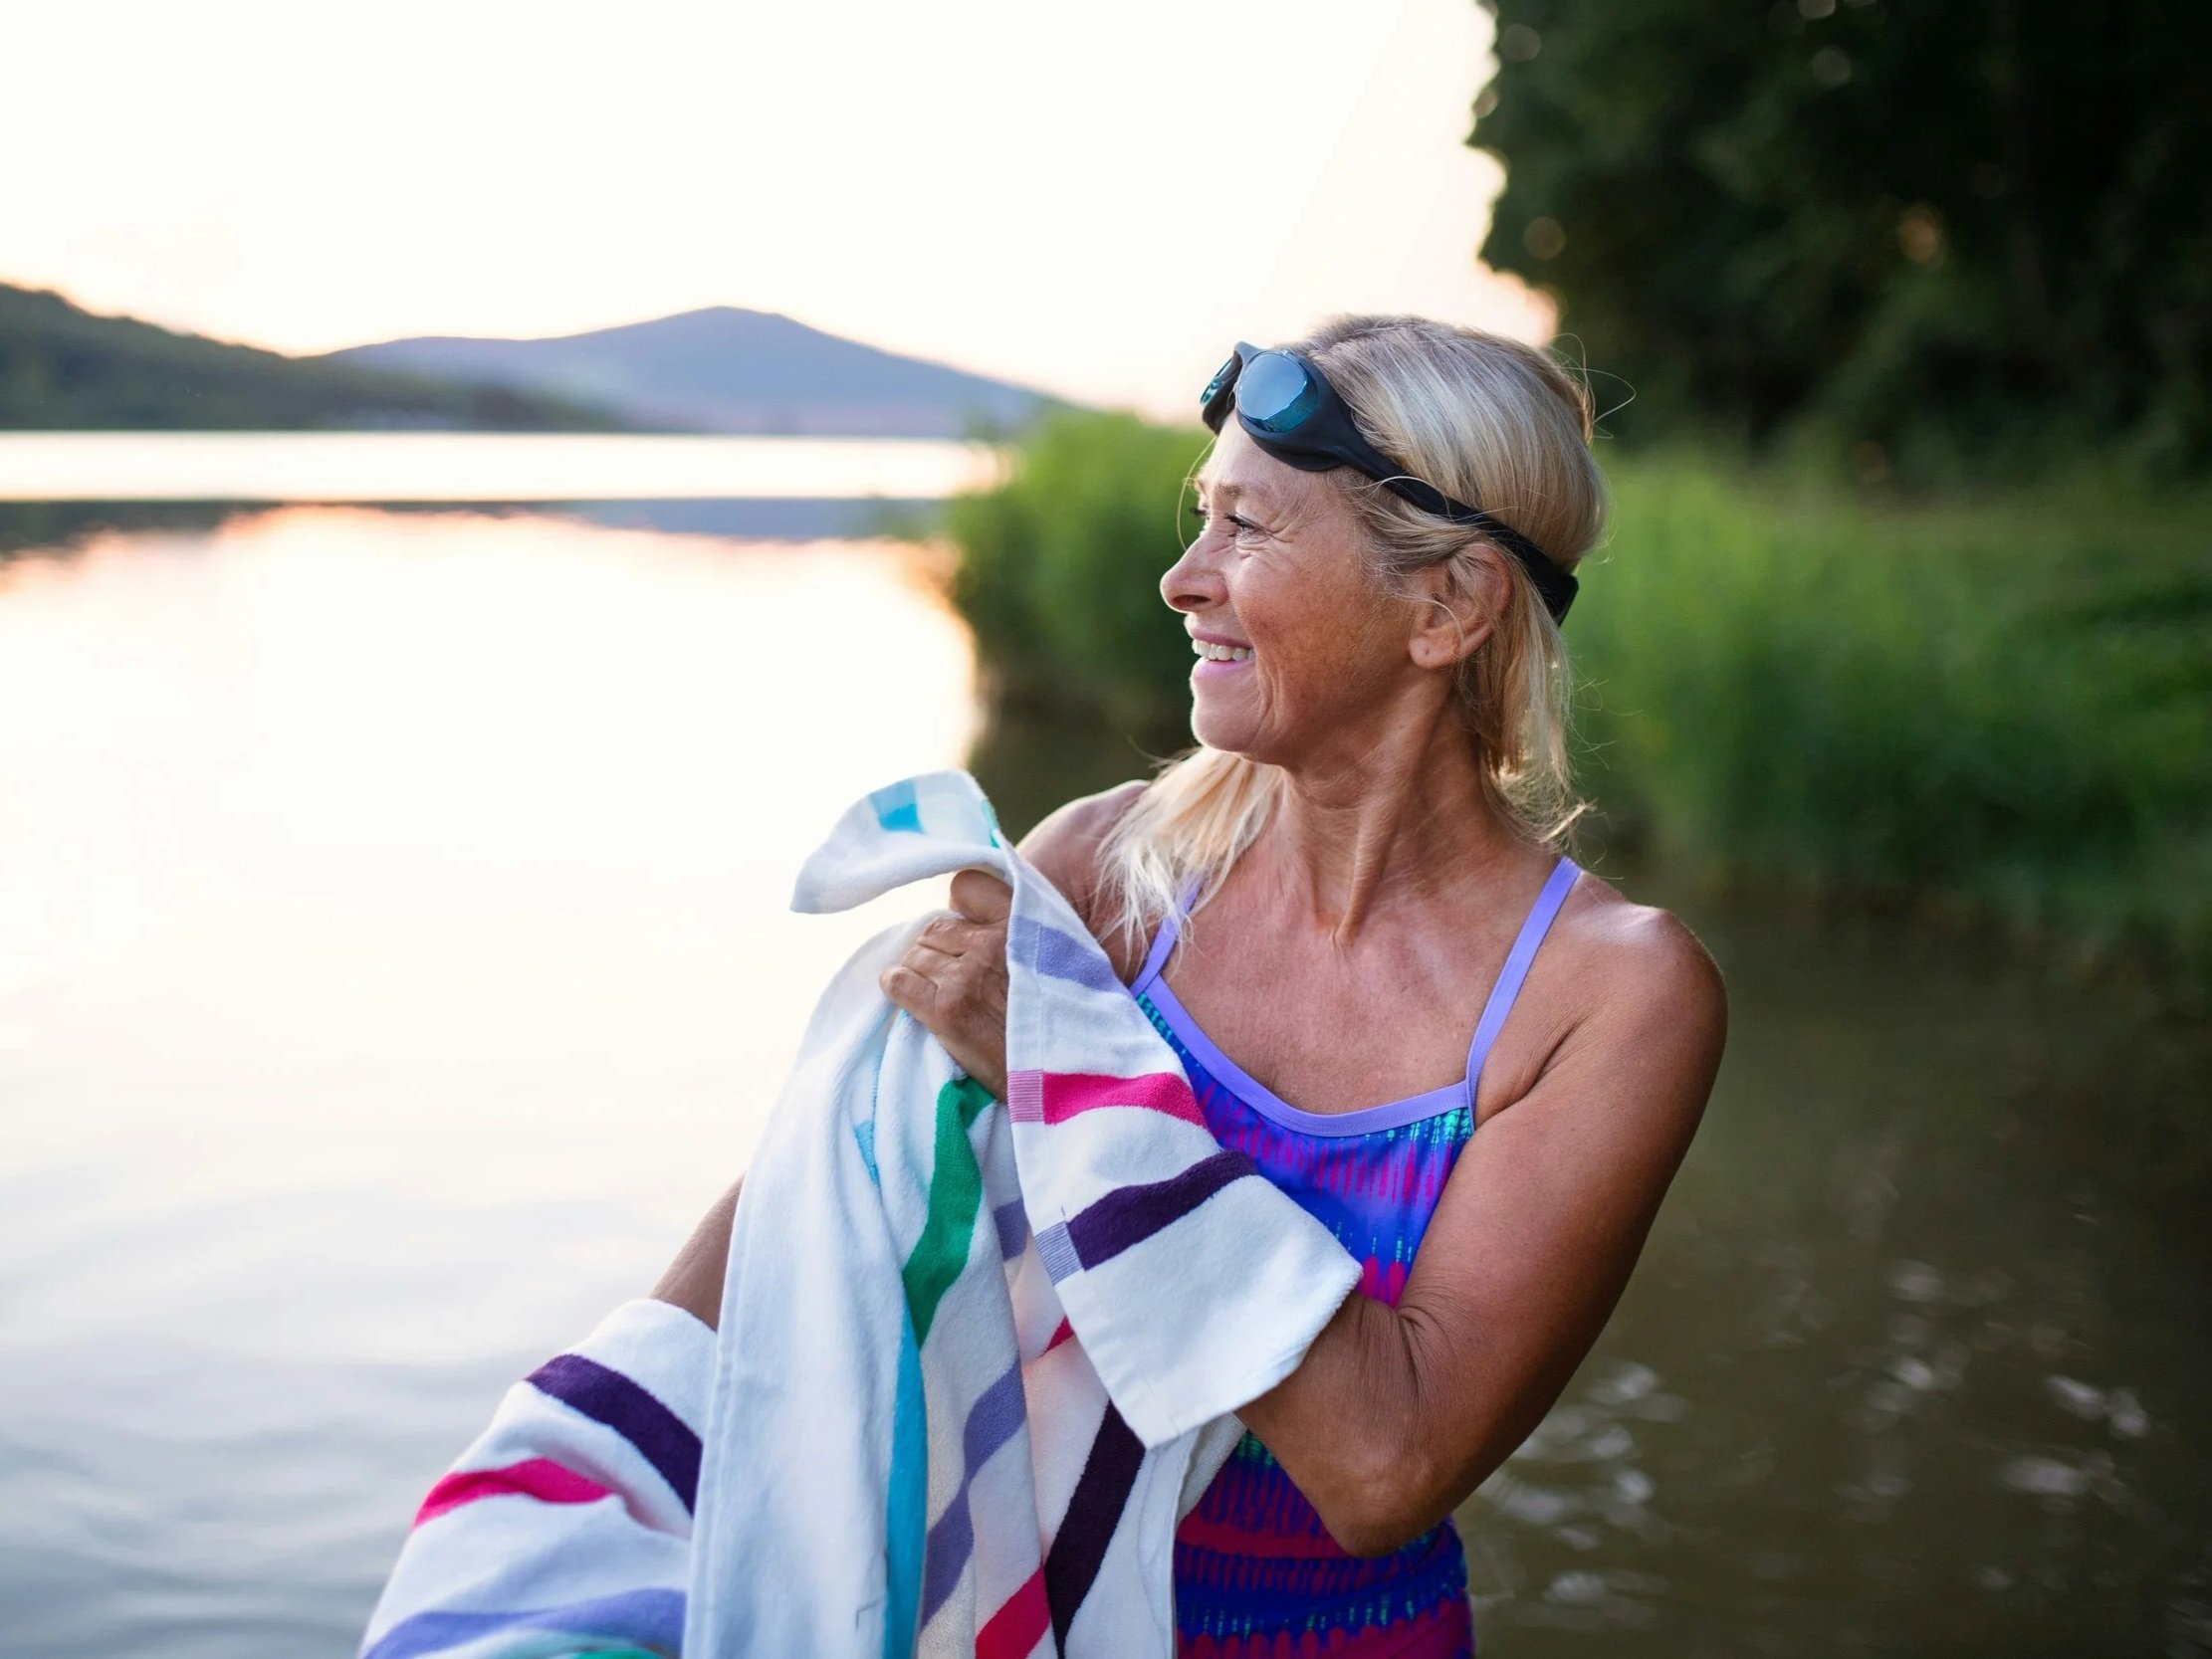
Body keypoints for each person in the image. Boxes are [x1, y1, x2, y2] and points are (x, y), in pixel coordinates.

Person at [653, 313, 1728, 1656]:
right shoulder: (1102, 876)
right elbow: (783, 1238)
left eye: (1249, 528)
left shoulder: (1606, 999)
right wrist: (558, 1466)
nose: (1180, 577)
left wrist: (1072, 1080)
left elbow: (1383, 1465)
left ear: (1446, 605)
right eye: (1198, 516)